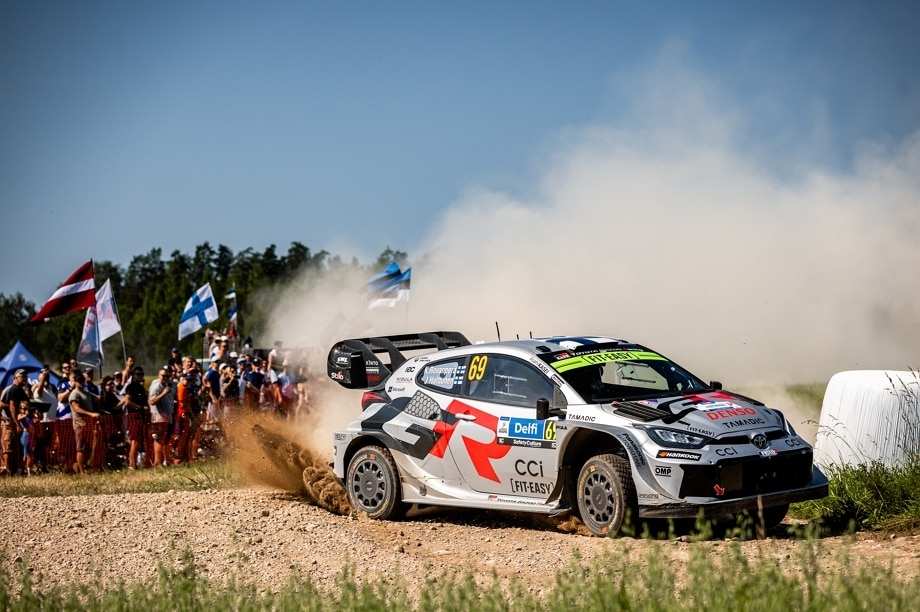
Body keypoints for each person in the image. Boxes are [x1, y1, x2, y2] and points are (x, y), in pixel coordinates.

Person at [68, 370, 99, 474]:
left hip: (88, 424)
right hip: (79, 424)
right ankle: (82, 471)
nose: (81, 382)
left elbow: (98, 399)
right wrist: (91, 414)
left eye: (82, 380)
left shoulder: (87, 393)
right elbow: (76, 408)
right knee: (80, 448)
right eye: (79, 380)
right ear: (75, 382)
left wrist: (102, 386)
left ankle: (83, 466)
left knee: (89, 448)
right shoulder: (74, 394)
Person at [0, 370, 29, 475]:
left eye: (25, 376)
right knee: (8, 447)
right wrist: (16, 422)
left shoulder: (20, 390)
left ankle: (14, 470)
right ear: (15, 378)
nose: (24, 378)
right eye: (22, 376)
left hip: (16, 421)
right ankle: (7, 470)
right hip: (9, 422)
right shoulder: (13, 389)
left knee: (17, 447)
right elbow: (4, 405)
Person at [122, 367, 149, 469]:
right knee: (134, 440)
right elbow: (127, 402)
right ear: (133, 375)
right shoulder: (131, 387)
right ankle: (132, 464)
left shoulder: (141, 388)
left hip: (141, 416)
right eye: (138, 374)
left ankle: (137, 463)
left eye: (142, 374)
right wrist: (140, 407)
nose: (140, 376)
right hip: (134, 416)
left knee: (139, 441)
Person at [148, 367, 174, 468]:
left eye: (167, 376)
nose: (165, 377)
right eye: (163, 375)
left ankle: (158, 461)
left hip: (165, 417)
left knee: (162, 440)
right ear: (159, 375)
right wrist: (164, 393)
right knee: (159, 440)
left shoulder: (164, 385)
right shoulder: (157, 387)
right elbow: (151, 401)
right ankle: (158, 462)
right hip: (159, 417)